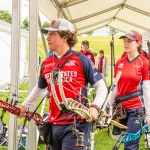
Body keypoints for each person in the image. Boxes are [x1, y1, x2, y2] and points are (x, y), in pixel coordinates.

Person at [19, 18, 107, 150]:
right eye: (47, 34)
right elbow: (40, 88)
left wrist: (95, 107)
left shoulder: (81, 60)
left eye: (52, 34)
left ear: (65, 36)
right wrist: (25, 106)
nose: (48, 37)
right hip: (54, 124)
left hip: (77, 124)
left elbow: (101, 86)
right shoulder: (46, 63)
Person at [108, 30, 150, 150]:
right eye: (125, 41)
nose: (126, 44)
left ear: (138, 43)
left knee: (130, 145)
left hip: (137, 109)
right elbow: (115, 87)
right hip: (122, 109)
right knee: (123, 141)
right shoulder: (120, 63)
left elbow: (147, 89)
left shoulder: (144, 62)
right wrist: (108, 106)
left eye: (129, 41)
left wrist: (148, 114)